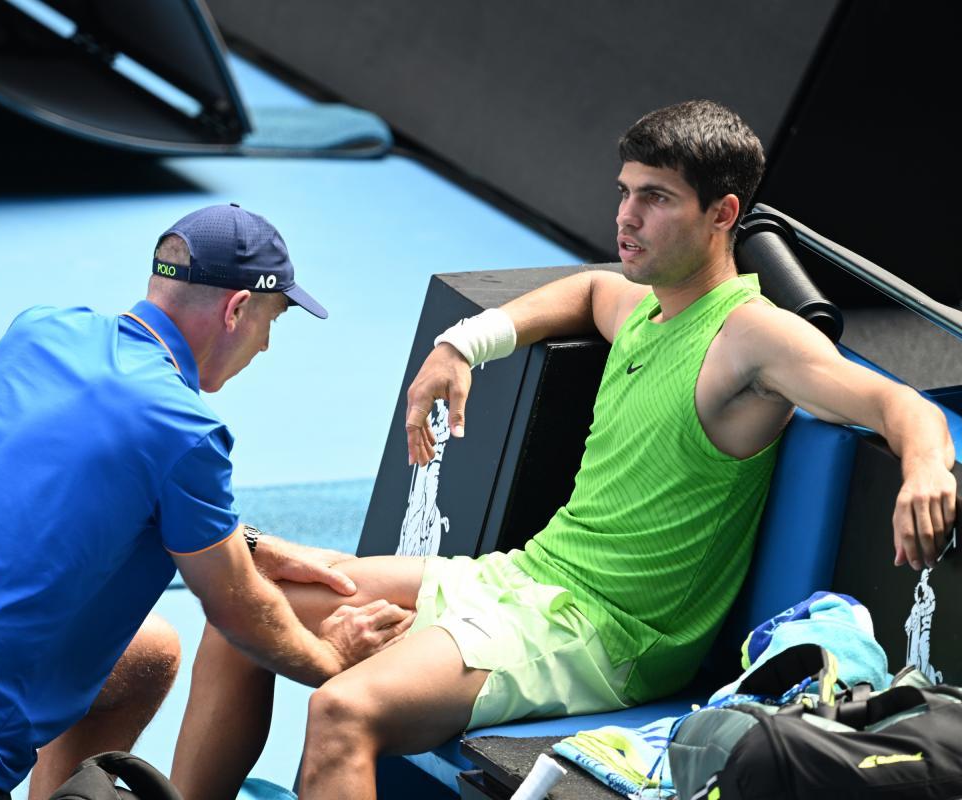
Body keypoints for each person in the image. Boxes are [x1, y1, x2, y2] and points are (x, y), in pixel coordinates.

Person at [169, 101, 958, 800]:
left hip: (607, 633)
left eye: (656, 199)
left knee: (345, 712)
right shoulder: (640, 305)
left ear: (723, 215)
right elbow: (583, 289)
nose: (628, 217)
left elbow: (896, 401)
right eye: (625, 191)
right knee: (245, 613)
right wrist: (459, 345)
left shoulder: (751, 338)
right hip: (527, 579)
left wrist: (926, 466)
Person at [0, 204, 413, 800]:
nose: (265, 345)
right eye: (272, 321)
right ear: (237, 310)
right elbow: (237, 609)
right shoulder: (184, 430)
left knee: (148, 654)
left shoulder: (40, 328)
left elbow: (79, 481)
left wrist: (249, 543)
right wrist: (330, 658)